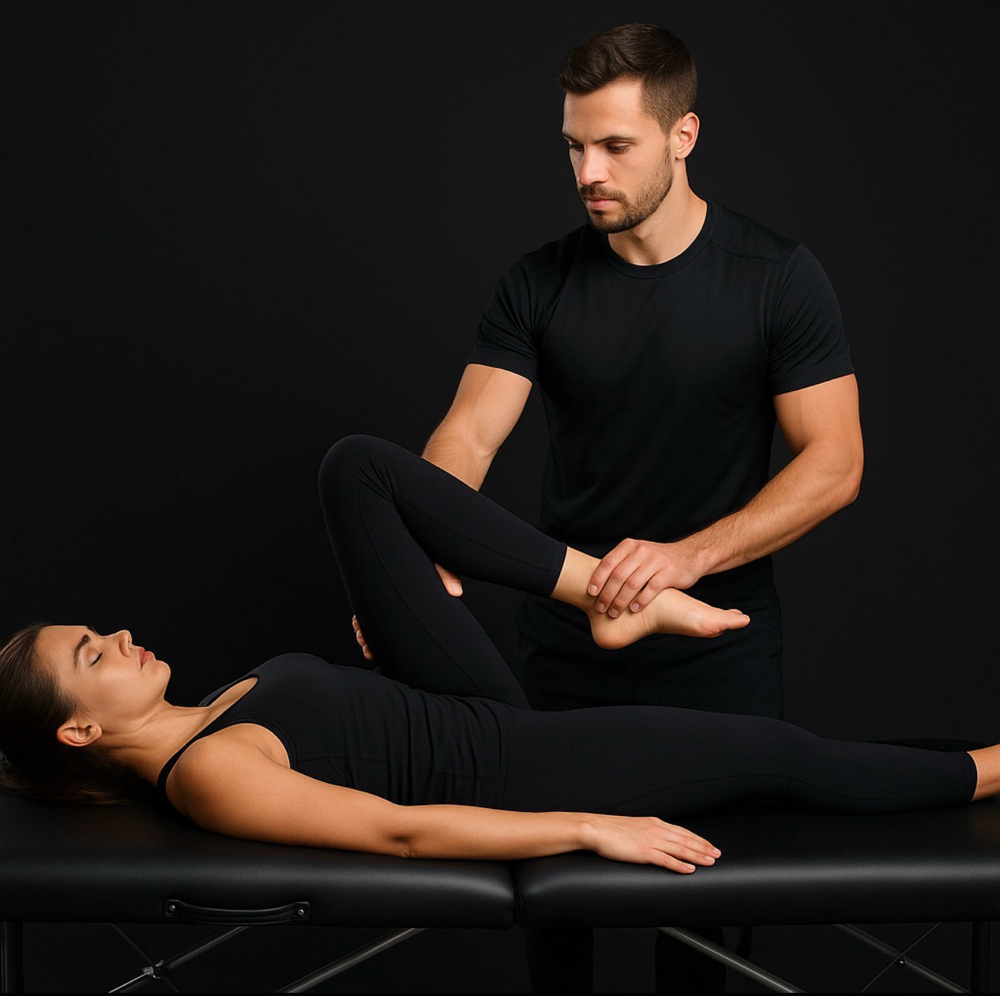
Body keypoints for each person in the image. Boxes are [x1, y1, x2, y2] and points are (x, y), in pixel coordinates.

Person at [364, 21, 864, 992]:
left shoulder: (776, 277)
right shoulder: (537, 284)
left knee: (702, 949)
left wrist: (687, 555)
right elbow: (466, 437)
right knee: (556, 938)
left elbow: (834, 463)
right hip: (565, 664)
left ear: (683, 136)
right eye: (572, 146)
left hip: (719, 659)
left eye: (614, 146)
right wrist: (421, 542)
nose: (587, 170)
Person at [0, 437, 989, 873]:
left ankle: (617, 598)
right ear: (79, 728)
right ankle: (983, 772)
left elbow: (354, 740)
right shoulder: (206, 771)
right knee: (772, 754)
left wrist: (391, 645)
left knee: (359, 470)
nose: (119, 637)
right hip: (507, 768)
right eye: (94, 654)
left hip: (448, 704)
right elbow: (397, 832)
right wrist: (589, 829)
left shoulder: (212, 710)